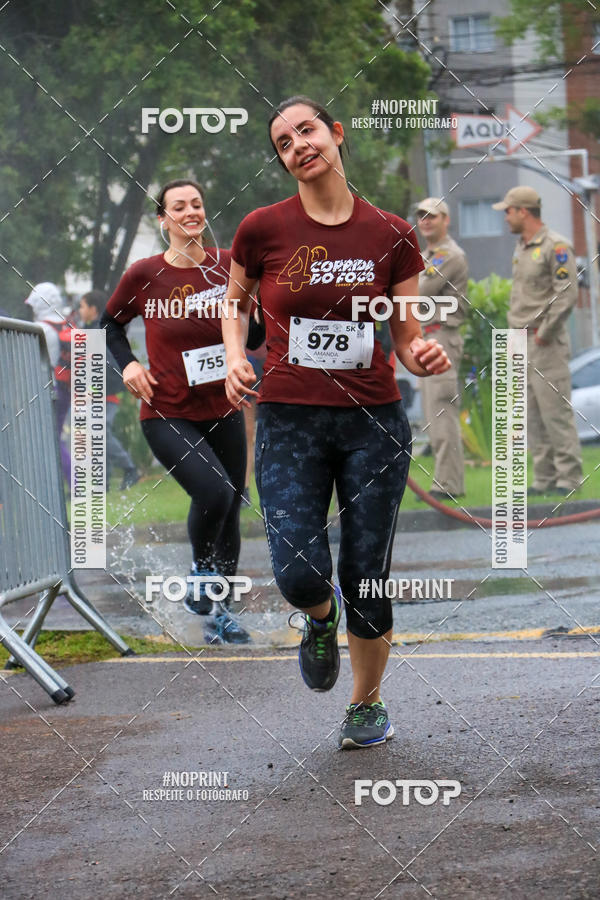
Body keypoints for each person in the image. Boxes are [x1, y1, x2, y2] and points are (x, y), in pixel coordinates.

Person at [221, 96, 450, 749]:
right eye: (284, 141)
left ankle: (365, 704)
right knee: (298, 571)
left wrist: (420, 353)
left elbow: (404, 333)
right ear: (283, 159)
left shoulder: (392, 234)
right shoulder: (263, 228)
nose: (298, 145)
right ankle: (319, 620)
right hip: (291, 419)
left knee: (366, 571)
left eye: (307, 130)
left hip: (372, 422)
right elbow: (233, 305)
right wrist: (237, 358)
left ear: (335, 134)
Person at [100, 179, 251, 644]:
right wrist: (127, 366)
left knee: (230, 507)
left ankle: (218, 613)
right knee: (216, 492)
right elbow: (109, 326)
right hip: (166, 411)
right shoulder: (144, 274)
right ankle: (200, 577)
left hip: (224, 407)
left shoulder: (229, 266)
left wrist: (253, 324)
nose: (190, 212)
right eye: (178, 207)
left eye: (197, 204)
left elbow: (258, 334)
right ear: (162, 219)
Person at [493, 186, 583, 495]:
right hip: (520, 340)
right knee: (530, 413)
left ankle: (569, 479)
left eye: (508, 210)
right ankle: (544, 479)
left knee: (555, 412)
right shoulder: (522, 246)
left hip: (545, 343)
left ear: (523, 212)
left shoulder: (556, 246)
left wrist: (543, 333)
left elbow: (567, 293)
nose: (505, 217)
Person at [416, 198, 469, 500]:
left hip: (442, 336)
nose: (425, 221)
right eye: (421, 216)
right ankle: (444, 481)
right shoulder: (428, 255)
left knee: (441, 411)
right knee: (433, 413)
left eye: (432, 216)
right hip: (428, 337)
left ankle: (448, 484)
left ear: (445, 220)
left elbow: (420, 289)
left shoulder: (448, 255)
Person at [78, 290, 141, 490]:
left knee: (100, 433)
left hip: (105, 394)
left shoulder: (98, 332)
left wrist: (93, 389)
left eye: (82, 306)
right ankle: (102, 482)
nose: (80, 310)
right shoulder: (91, 330)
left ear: (92, 309)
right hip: (97, 393)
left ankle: (130, 468)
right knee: (96, 435)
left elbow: (107, 366)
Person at [25, 282, 72, 485]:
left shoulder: (41, 329)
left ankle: (75, 484)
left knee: (50, 440)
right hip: (65, 389)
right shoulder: (67, 325)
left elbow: (32, 363)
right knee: (55, 437)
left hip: (48, 390)